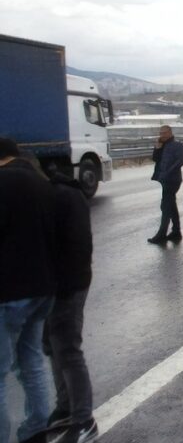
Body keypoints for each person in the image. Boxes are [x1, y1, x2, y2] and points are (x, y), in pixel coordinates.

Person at [0, 138, 56, 443]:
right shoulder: (40, 182)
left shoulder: (3, 183)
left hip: (9, 291)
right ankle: (36, 430)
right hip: (42, 289)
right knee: (31, 363)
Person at [42, 169, 98, 443]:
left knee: (66, 349)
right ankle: (66, 408)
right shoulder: (64, 193)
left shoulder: (60, 197)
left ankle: (84, 420)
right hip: (63, 283)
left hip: (66, 285)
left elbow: (72, 247)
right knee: (54, 347)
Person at [148, 125, 183, 244]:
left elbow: (182, 160)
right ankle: (176, 231)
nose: (162, 135)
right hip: (164, 179)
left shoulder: (177, 145)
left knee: (165, 206)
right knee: (171, 205)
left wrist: (169, 171)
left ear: (170, 133)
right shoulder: (161, 145)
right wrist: (157, 148)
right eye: (161, 133)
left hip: (173, 179)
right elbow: (155, 159)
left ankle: (161, 234)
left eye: (164, 133)